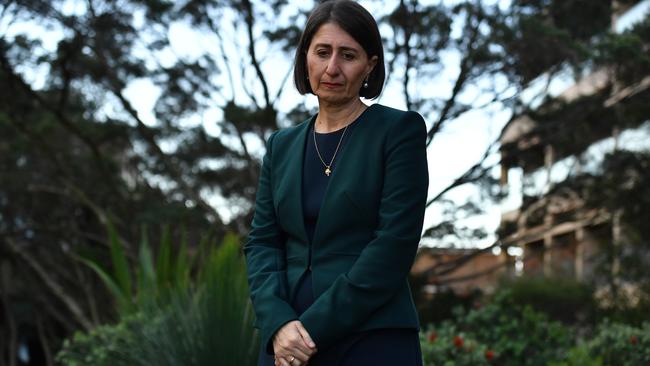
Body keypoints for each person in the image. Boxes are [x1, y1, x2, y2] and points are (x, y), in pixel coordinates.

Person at [244, 1, 429, 365]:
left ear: (369, 66)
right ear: (305, 59)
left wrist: (311, 329)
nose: (332, 68)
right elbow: (262, 242)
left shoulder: (398, 131)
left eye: (348, 55)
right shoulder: (280, 145)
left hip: (371, 335)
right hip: (286, 339)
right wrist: (278, 322)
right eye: (322, 52)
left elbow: (394, 244)